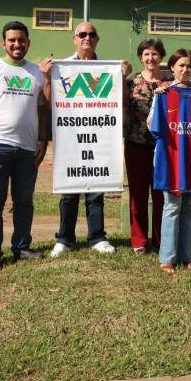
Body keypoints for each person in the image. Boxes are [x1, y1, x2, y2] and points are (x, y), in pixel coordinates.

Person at [45, 21, 132, 257]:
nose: (87, 38)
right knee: (68, 190)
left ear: (97, 40)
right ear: (74, 38)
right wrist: (46, 77)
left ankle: (97, 237)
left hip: (99, 136)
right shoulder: (62, 69)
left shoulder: (108, 69)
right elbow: (50, 101)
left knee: (96, 189)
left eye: (92, 34)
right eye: (82, 34)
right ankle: (65, 238)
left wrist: (123, 77)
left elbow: (120, 101)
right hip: (70, 137)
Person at [0, 21, 49, 270]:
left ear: (28, 42)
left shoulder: (36, 72)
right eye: (12, 40)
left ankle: (21, 247)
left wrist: (42, 139)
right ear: (3, 42)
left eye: (22, 40)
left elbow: (42, 109)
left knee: (24, 200)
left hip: (28, 149)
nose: (17, 44)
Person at [148, 49, 191, 273]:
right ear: (172, 68)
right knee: (171, 207)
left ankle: (186, 255)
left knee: (188, 209)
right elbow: (153, 126)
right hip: (172, 161)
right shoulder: (163, 95)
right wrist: (158, 96)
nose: (185, 70)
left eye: (189, 66)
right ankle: (167, 257)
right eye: (180, 65)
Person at [123, 38, 171, 255]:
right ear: (141, 57)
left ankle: (161, 239)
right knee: (138, 194)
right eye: (146, 54)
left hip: (165, 148)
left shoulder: (171, 81)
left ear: (161, 57)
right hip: (136, 145)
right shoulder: (131, 82)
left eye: (155, 54)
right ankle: (139, 241)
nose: (150, 58)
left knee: (162, 195)